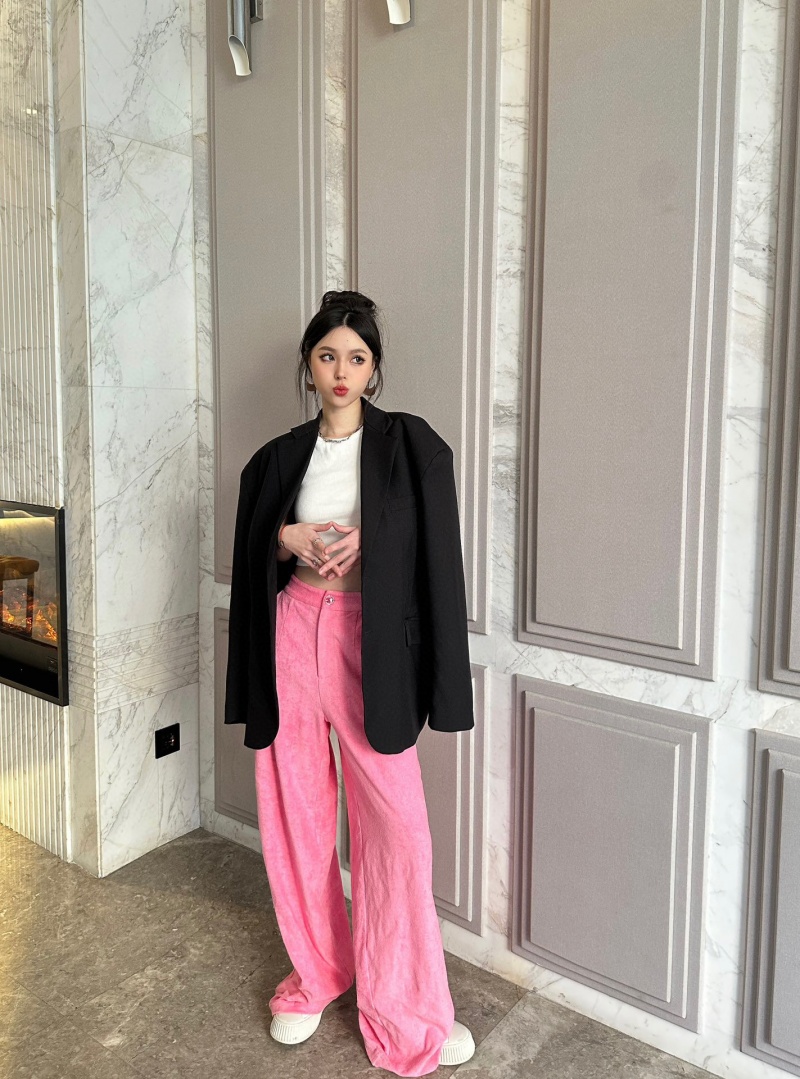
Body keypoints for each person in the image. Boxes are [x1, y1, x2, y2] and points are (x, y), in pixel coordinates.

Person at [225, 290, 476, 1076]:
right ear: (309, 364)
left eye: (357, 357)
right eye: (328, 354)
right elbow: (251, 546)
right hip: (294, 630)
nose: (341, 370)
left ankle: (409, 1006)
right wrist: (285, 534)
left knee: (397, 831)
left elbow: (436, 541)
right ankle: (318, 972)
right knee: (297, 815)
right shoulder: (279, 456)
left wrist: (375, 538)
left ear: (374, 369)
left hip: (374, 646)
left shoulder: (410, 445)